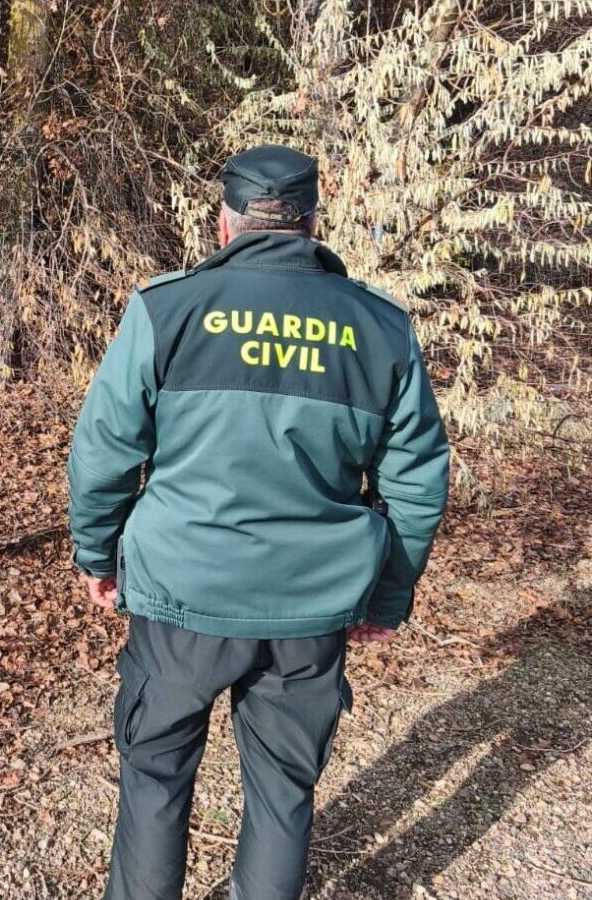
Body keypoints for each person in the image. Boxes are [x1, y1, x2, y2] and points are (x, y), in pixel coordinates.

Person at [66, 144, 451, 900]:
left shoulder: (167, 310)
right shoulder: (380, 327)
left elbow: (103, 453)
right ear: (312, 222)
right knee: (283, 791)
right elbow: (415, 480)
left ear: (225, 225)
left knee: (154, 777)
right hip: (309, 606)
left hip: (181, 597)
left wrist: (98, 554)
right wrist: (387, 597)